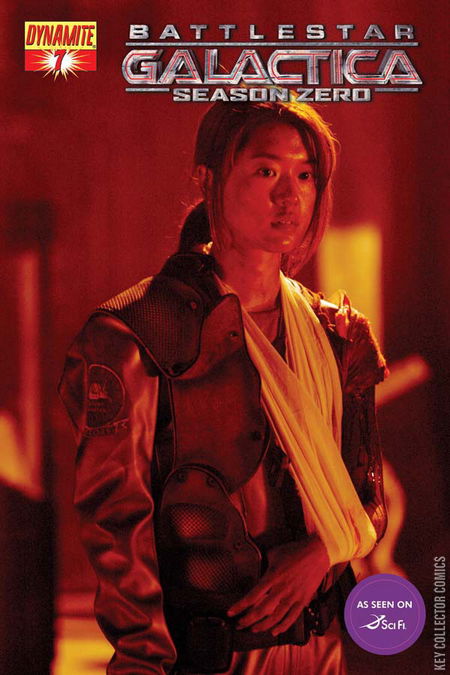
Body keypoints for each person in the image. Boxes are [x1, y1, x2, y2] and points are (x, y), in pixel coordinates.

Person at [59, 100, 388, 674]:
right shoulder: (137, 334)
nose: (290, 197)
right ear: (207, 178)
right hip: (207, 657)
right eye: (266, 171)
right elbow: (118, 532)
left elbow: (369, 502)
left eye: (305, 175)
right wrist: (142, 661)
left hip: (323, 650)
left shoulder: (339, 337)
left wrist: (320, 553)